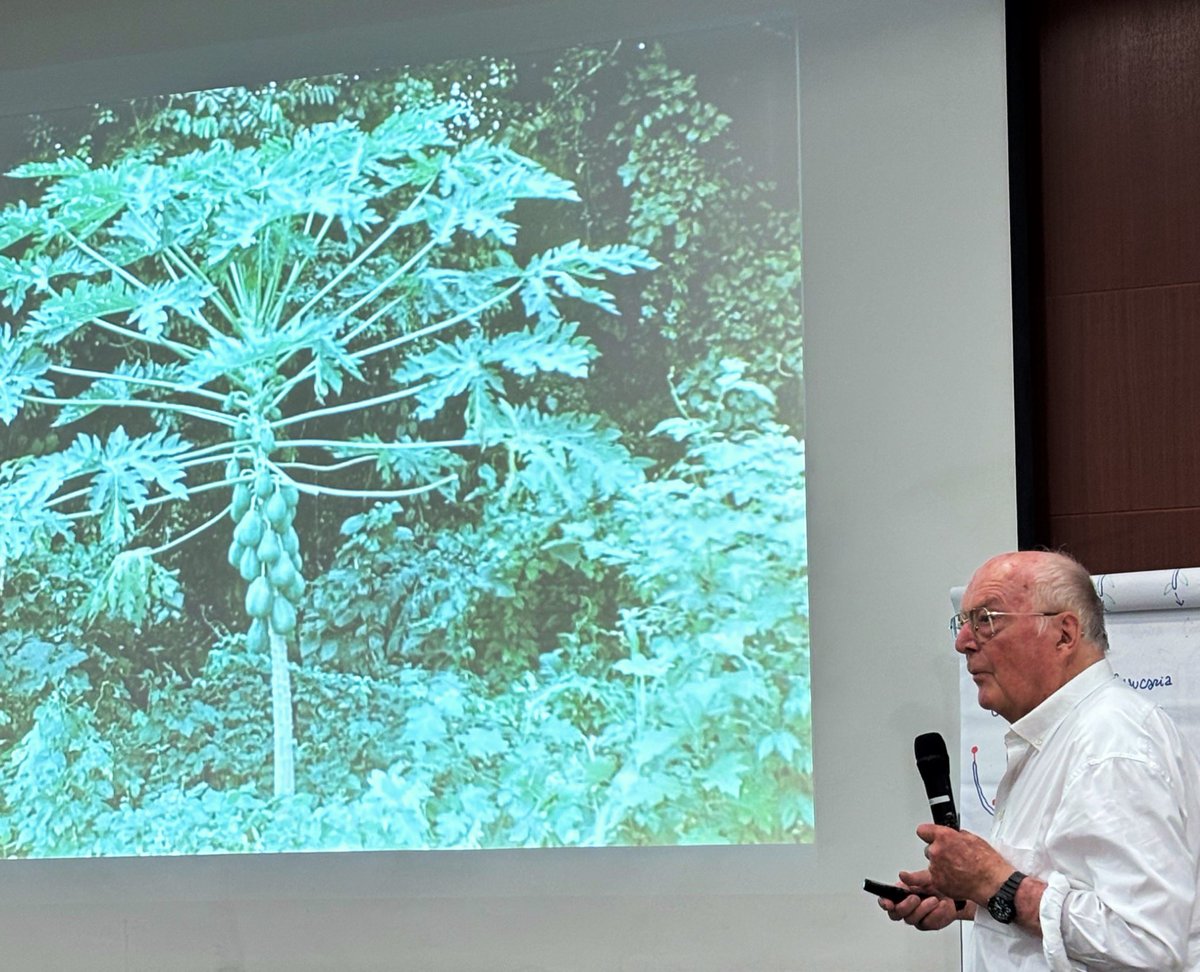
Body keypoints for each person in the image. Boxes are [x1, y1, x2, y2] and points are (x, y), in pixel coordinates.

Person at [878, 550, 1200, 970]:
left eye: (986, 620)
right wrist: (972, 900)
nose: (963, 642)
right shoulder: (1060, 737)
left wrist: (997, 885)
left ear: (1064, 634)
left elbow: (1145, 944)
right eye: (964, 622)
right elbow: (1073, 895)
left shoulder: (1110, 746)